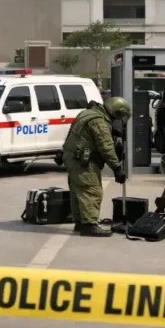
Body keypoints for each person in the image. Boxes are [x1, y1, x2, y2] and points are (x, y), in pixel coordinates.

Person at [62, 97, 129, 237]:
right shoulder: (99, 121)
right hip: (82, 160)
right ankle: (89, 225)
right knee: (91, 190)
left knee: (78, 190)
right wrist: (117, 168)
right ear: (116, 112)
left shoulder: (89, 113)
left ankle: (80, 222)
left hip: (72, 157)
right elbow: (106, 147)